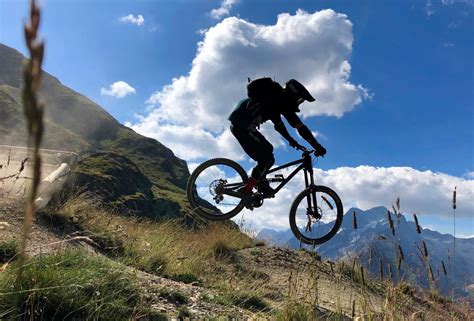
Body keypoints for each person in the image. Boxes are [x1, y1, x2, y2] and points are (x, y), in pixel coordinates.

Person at [228, 79, 326, 199]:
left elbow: (279, 126)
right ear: (293, 94)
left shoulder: (274, 99)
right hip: (243, 126)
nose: (299, 103)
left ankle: (260, 183)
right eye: (299, 99)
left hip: (241, 125)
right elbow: (300, 128)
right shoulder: (280, 101)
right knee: (267, 159)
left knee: (267, 151)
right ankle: (247, 189)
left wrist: (291, 141)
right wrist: (318, 147)